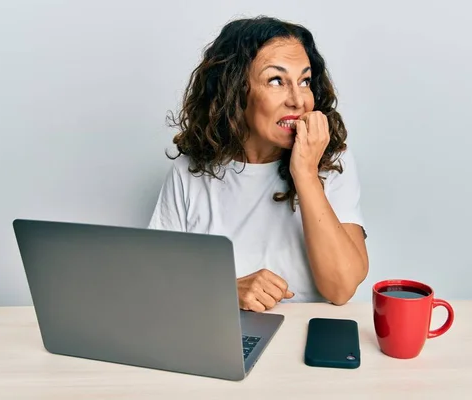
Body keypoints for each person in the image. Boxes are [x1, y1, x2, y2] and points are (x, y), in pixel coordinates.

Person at [148, 16, 369, 312]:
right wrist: (224, 290)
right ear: (235, 92)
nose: (298, 100)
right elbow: (156, 283)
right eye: (276, 80)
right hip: (221, 336)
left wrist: (305, 173)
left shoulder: (331, 162)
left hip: (306, 338)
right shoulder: (190, 172)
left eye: (304, 81)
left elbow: (341, 288)